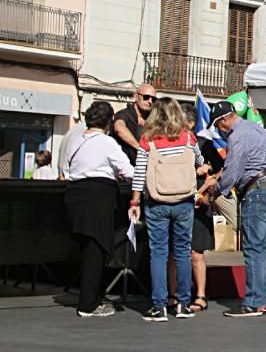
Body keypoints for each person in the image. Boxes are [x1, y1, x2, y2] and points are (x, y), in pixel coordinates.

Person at [129, 98, 209, 322]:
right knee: (183, 251)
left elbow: (139, 174)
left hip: (156, 201)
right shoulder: (188, 138)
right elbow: (199, 162)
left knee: (159, 253)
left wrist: (134, 203)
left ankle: (160, 306)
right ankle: (183, 304)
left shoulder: (147, 140)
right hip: (184, 201)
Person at [203, 101, 266, 317]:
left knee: (253, 248)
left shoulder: (237, 136)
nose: (219, 130)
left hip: (256, 189)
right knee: (262, 247)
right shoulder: (255, 127)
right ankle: (259, 299)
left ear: (224, 120)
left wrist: (217, 190)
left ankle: (253, 303)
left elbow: (233, 169)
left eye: (218, 126)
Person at [63, 101, 134, 317]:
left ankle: (91, 296)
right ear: (108, 122)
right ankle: (88, 304)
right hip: (98, 196)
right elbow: (128, 170)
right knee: (97, 248)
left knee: (87, 247)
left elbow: (67, 167)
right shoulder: (106, 142)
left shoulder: (74, 139)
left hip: (75, 194)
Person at [167, 103, 222, 313]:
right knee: (173, 252)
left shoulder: (204, 144)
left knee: (196, 253)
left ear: (190, 123)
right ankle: (173, 295)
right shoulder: (169, 143)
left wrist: (208, 170)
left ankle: (200, 295)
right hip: (175, 200)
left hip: (198, 202)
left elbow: (219, 166)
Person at [113, 83, 157, 165]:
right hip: (125, 169)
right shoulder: (125, 114)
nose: (150, 101)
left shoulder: (153, 119)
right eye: (146, 97)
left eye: (153, 99)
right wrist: (140, 148)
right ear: (136, 97)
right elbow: (119, 128)